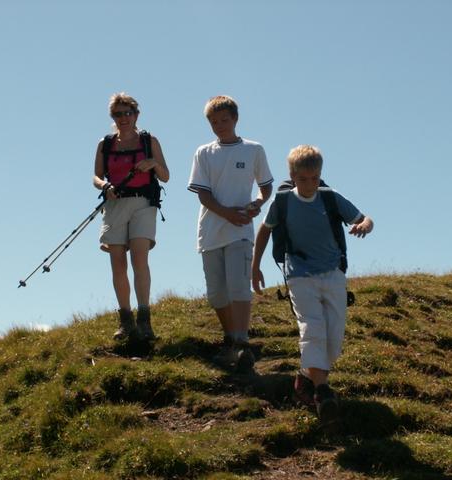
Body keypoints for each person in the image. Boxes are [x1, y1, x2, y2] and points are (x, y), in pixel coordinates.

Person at [251, 145, 373, 423]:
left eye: (315, 178)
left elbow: (365, 218)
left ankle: (306, 377)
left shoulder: (330, 198)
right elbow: (265, 231)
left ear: (320, 175)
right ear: (293, 176)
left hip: (332, 273)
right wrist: (255, 266)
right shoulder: (282, 202)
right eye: (303, 179)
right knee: (312, 328)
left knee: (335, 340)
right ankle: (323, 393)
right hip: (299, 273)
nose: (309, 184)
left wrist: (364, 225)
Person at [188, 95, 274, 372]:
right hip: (211, 231)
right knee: (216, 293)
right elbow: (202, 193)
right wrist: (226, 213)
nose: (219, 125)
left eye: (224, 120)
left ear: (235, 119)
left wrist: (257, 204)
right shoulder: (203, 152)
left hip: (241, 232)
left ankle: (241, 341)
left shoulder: (253, 149)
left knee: (239, 284)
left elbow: (266, 186)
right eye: (214, 121)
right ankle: (230, 337)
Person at [93, 92, 170, 343]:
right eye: (118, 114)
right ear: (112, 117)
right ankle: (125, 320)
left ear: (136, 114)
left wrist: (152, 164)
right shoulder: (105, 144)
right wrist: (106, 187)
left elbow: (166, 175)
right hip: (115, 205)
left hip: (143, 203)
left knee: (139, 259)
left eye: (127, 113)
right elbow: (96, 177)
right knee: (117, 262)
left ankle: (144, 319)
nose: (123, 118)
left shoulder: (149, 141)